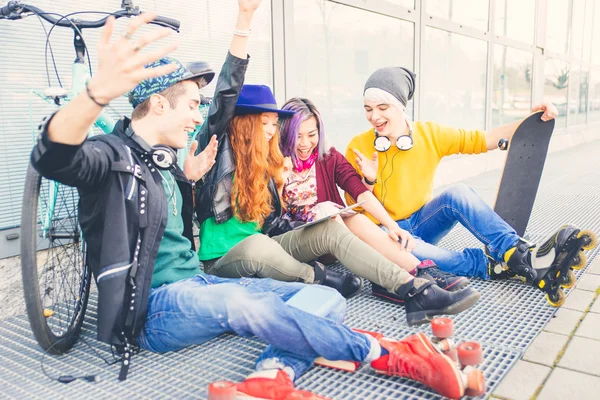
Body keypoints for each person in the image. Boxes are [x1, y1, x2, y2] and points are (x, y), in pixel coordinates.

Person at [29, 5, 484, 399]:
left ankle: (272, 373)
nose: (197, 115)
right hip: (155, 308)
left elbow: (218, 115)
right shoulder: (112, 157)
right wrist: (96, 95)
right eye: (191, 104)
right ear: (159, 106)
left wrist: (187, 178)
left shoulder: (168, 162)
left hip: (198, 288)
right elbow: (54, 157)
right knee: (247, 306)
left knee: (321, 298)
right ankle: (389, 354)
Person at [344, 66, 580, 304]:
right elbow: (353, 210)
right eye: (368, 109)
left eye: (382, 108)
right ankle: (491, 266)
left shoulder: (430, 134)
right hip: (382, 233)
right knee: (424, 253)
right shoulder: (360, 145)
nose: (374, 116)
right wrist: (369, 181)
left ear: (401, 105)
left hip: (420, 221)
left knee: (458, 193)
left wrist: (532, 120)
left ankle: (517, 253)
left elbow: (484, 139)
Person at [278, 97, 470, 298]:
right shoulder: (272, 161)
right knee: (327, 209)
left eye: (311, 134)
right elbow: (266, 215)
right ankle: (386, 277)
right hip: (295, 244)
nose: (305, 143)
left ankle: (421, 270)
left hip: (334, 240)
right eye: (297, 136)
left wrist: (392, 226)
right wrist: (280, 180)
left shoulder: (327, 156)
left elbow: (359, 191)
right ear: (285, 133)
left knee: (355, 218)